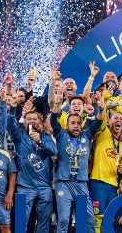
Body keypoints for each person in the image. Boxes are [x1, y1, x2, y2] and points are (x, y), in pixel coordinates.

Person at [7, 99, 57, 233]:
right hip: (24, 186)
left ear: (40, 121)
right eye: (29, 118)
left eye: (35, 118)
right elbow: (10, 125)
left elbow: (54, 151)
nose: (32, 120)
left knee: (44, 222)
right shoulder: (19, 135)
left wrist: (40, 140)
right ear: (25, 121)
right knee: (20, 222)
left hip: (44, 187)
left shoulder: (45, 136)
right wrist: (15, 109)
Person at [50, 96, 98, 233]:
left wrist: (94, 111)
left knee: (89, 219)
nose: (76, 126)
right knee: (64, 219)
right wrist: (57, 105)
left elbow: (96, 124)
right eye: (72, 123)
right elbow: (53, 121)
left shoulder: (86, 136)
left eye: (78, 123)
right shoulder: (61, 135)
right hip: (64, 183)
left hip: (81, 184)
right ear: (67, 125)